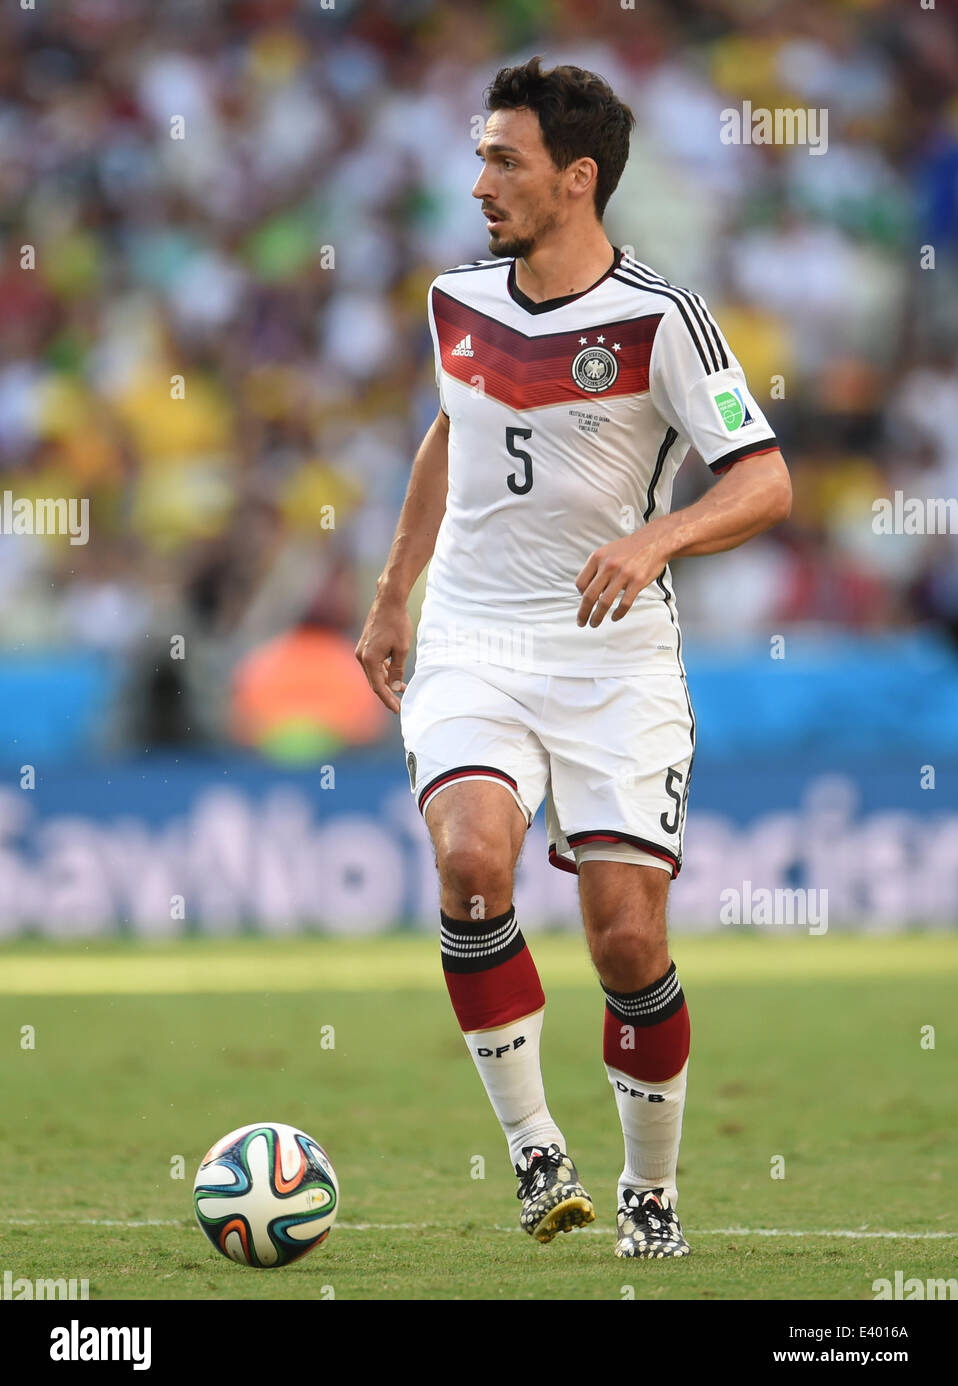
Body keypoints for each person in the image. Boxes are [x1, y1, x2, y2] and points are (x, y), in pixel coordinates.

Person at [356, 57, 791, 1258]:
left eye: (505, 159)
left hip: (613, 657)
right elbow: (451, 430)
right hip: (474, 640)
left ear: (576, 178)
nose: (480, 180)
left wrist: (659, 537)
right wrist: (396, 591)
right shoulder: (457, 299)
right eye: (482, 155)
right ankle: (536, 1148)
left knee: (624, 939)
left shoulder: (661, 318)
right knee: (472, 863)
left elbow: (765, 478)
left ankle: (650, 1194)